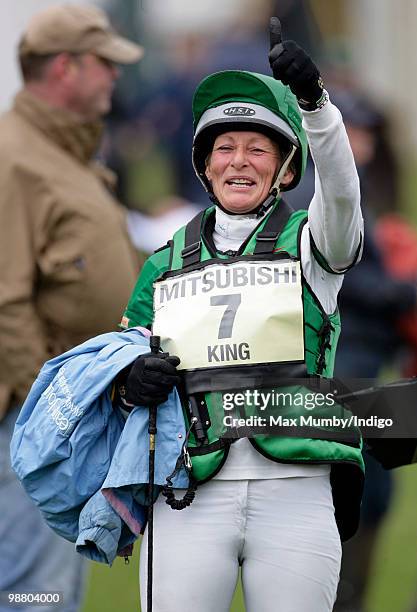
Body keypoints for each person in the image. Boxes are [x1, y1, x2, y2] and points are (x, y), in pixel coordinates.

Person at [117, 17, 364, 612]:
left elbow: (341, 196)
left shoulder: (313, 244)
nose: (239, 161)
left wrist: (317, 109)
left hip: (296, 492)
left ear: (285, 169)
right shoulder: (162, 263)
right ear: (204, 166)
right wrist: (132, 381)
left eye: (258, 148)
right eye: (224, 147)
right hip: (187, 494)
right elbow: (119, 376)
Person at [0, 5, 142, 611]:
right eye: (105, 63)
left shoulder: (58, 150)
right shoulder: (15, 157)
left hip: (63, 413)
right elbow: (4, 301)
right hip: (34, 421)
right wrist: (51, 412)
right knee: (35, 595)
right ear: (66, 67)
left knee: (51, 589)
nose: (115, 76)